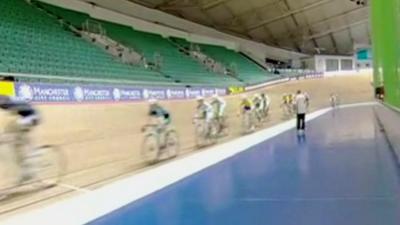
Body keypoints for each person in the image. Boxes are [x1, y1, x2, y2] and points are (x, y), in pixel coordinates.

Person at [0, 95, 40, 184]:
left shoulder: (12, 103)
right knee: (16, 143)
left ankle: (33, 154)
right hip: (25, 117)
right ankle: (25, 171)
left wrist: (4, 136)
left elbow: (13, 120)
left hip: (33, 117)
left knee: (18, 131)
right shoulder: (7, 102)